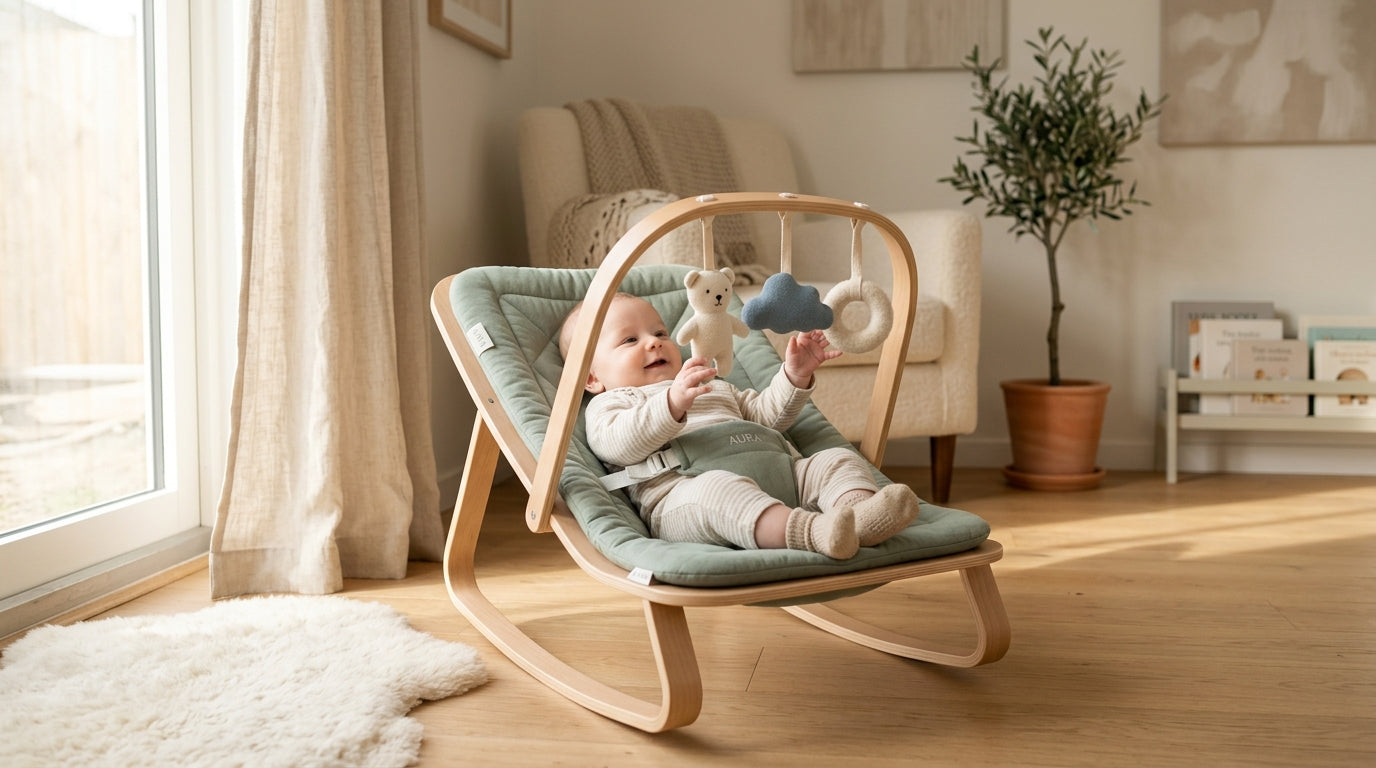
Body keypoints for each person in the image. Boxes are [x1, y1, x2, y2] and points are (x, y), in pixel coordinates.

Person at [559, 292, 920, 559]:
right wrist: (670, 404)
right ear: (591, 377)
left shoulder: (712, 385)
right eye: (630, 340)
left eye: (660, 333)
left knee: (835, 460)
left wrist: (793, 376)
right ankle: (814, 532)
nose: (654, 342)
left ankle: (859, 518)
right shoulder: (612, 403)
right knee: (718, 490)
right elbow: (617, 445)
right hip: (687, 499)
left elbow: (767, 418)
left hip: (779, 475)